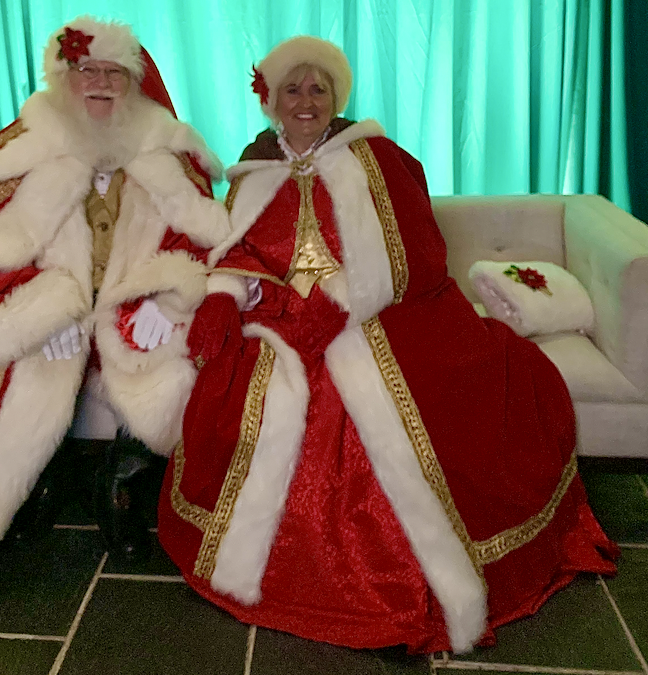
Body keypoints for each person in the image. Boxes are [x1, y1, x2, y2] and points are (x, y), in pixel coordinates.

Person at [158, 36, 618, 654]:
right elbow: (240, 250)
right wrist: (222, 293)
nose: (305, 101)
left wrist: (337, 304)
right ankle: (265, 569)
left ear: (335, 97)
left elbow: (416, 252)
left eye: (318, 89)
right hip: (279, 318)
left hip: (376, 310)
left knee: (415, 406)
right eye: (292, 89)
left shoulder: (374, 156)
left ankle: (413, 582)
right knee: (247, 399)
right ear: (270, 99)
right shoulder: (251, 167)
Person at [0, 15, 231, 585]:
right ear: (64, 79)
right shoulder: (22, 147)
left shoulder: (167, 154)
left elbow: (206, 244)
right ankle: (38, 481)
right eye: (87, 70)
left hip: (133, 312)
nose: (101, 83)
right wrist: (43, 306)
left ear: (134, 83)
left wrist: (168, 297)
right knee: (9, 366)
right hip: (58, 317)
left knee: (183, 359)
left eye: (114, 72)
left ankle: (122, 486)